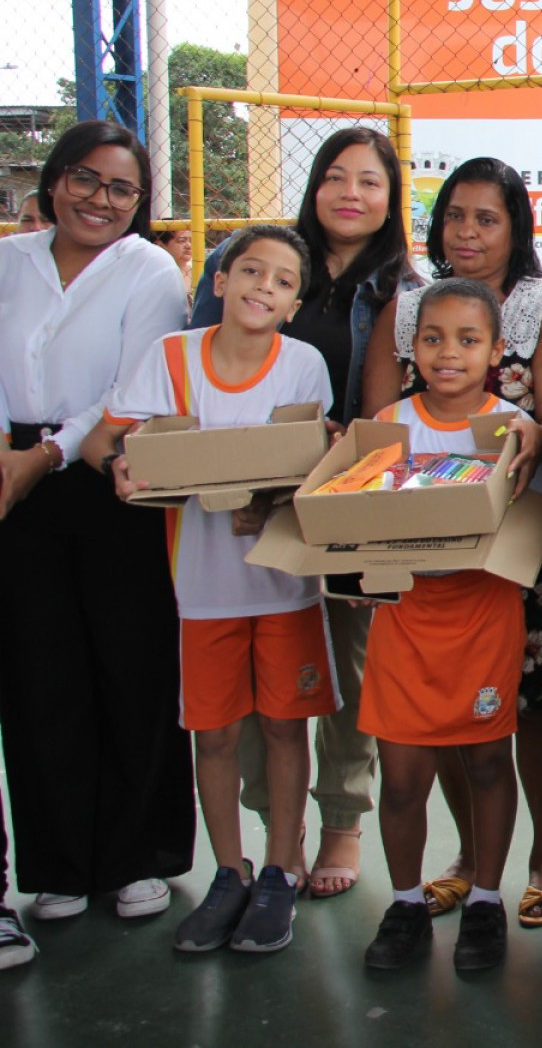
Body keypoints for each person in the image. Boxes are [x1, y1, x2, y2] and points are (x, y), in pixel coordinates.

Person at [84, 225, 336, 954]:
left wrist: (273, 500)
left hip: (284, 587)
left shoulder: (304, 365)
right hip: (203, 587)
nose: (265, 285)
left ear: (295, 302)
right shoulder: (172, 357)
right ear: (218, 281)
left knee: (288, 727)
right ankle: (230, 870)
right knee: (217, 732)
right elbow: (111, 439)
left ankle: (282, 868)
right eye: (250, 269)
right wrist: (121, 469)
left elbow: (311, 464)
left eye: (284, 279)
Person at [190, 125, 421, 900]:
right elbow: (206, 370)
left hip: (353, 495)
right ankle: (272, 834)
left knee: (350, 665)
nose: (350, 193)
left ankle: (342, 822)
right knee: (261, 669)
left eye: (370, 181)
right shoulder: (259, 263)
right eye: (335, 176)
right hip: (251, 501)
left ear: (391, 200)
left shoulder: (403, 287)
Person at [362, 156, 542, 928]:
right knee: (448, 711)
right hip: (422, 546)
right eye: (455, 215)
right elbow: (373, 431)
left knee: (534, 700)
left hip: (519, 542)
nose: (467, 231)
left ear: (516, 226)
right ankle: (466, 856)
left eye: (487, 217)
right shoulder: (408, 306)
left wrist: (530, 425)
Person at [0, 120, 192, 934]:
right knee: (37, 673)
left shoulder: (148, 270)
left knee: (130, 663)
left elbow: (135, 385)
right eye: (85, 179)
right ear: (53, 181)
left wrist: (44, 455)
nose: (100, 199)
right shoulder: (9, 259)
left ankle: (136, 856)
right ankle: (60, 864)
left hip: (107, 471)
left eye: (121, 188)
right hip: (10, 479)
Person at [358, 279, 542, 974]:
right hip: (405, 620)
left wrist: (536, 434)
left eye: (468, 340)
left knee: (490, 761)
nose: (448, 353)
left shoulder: (514, 427)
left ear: (498, 350)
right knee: (402, 776)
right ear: (411, 346)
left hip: (482, 615)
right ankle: (406, 903)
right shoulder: (388, 422)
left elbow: (531, 511)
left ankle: (487, 901)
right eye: (433, 337)